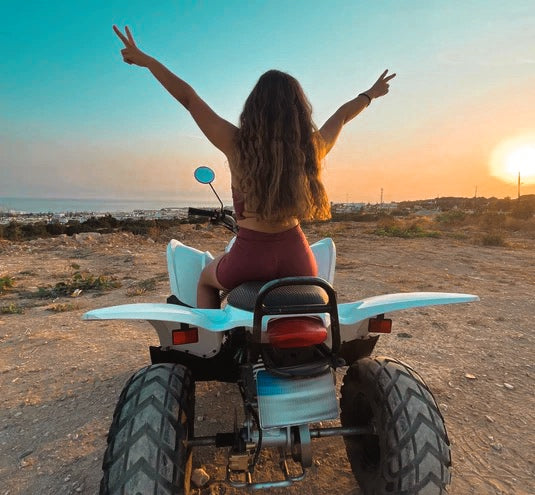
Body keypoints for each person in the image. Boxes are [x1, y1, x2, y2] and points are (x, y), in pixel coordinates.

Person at [113, 25, 395, 308]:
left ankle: (211, 346)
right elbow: (343, 116)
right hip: (296, 255)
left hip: (248, 257)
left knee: (204, 279)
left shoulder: (236, 144)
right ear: (298, 111)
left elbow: (188, 98)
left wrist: (148, 62)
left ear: (253, 108)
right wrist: (371, 93)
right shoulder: (311, 148)